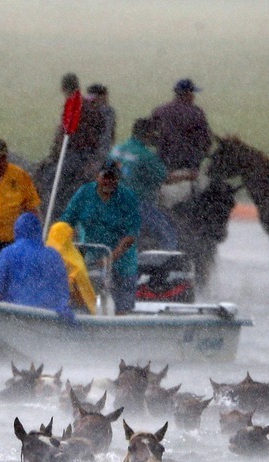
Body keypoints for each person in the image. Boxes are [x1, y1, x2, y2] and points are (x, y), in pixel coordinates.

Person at [61, 161, 141, 315]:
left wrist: (109, 260)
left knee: (122, 309)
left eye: (113, 178)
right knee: (82, 302)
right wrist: (67, 248)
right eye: (105, 177)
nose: (109, 182)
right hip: (90, 259)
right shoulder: (84, 193)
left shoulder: (128, 197)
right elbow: (66, 221)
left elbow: (131, 235)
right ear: (97, 177)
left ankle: (120, 329)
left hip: (122, 262)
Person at [38, 73, 107, 212]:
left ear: (63, 89)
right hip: (90, 154)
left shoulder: (74, 105)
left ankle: (52, 213)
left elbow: (63, 135)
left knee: (50, 181)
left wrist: (53, 156)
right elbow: (101, 130)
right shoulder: (91, 106)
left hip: (76, 155)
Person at [110, 118, 178, 250]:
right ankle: (167, 259)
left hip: (111, 201)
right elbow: (166, 178)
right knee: (168, 232)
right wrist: (188, 175)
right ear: (148, 134)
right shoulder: (146, 156)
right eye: (154, 133)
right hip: (138, 205)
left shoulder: (115, 150)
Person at [0, 212, 72, 318]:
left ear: (16, 230)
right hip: (49, 317)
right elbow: (64, 293)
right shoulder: (54, 255)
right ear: (39, 231)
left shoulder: (6, 253)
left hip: (14, 316)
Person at [150, 78, 211, 172]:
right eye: (192, 93)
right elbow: (206, 140)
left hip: (162, 165)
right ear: (188, 94)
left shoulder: (159, 111)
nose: (194, 97)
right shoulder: (196, 112)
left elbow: (150, 136)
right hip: (188, 166)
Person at [46, 221, 97, 314]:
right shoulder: (74, 259)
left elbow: (81, 299)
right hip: (57, 307)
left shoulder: (74, 263)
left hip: (76, 311)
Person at [87, 83, 117, 164]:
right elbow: (112, 133)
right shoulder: (109, 111)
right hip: (102, 151)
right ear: (101, 96)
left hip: (92, 152)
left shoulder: (87, 110)